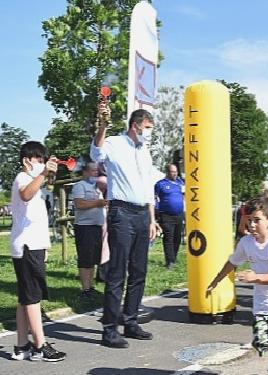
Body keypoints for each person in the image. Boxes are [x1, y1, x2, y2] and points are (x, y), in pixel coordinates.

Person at [91, 106, 159, 348]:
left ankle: (130, 322)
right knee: (117, 272)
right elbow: (96, 153)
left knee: (139, 272)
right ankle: (109, 329)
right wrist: (103, 124)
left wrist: (151, 219)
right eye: (148, 128)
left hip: (142, 214)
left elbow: (148, 187)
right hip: (121, 212)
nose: (150, 133)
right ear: (136, 126)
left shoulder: (145, 152)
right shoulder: (115, 143)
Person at [206, 197, 268, 374]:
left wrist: (255, 277)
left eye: (257, 220)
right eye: (250, 220)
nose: (252, 225)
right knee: (260, 343)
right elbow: (232, 262)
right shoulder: (246, 243)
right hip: (262, 302)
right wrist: (216, 280)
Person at [10, 141, 66, 361]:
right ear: (27, 161)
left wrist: (48, 173)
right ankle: (40, 346)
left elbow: (42, 190)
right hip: (26, 246)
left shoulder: (35, 182)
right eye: (39, 160)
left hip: (33, 245)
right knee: (33, 298)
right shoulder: (22, 178)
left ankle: (22, 345)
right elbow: (25, 194)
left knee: (25, 298)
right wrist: (43, 173)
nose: (42, 164)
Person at [72, 161, 108, 298]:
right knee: (85, 259)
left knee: (93, 259)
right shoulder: (80, 186)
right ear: (85, 172)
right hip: (84, 227)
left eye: (97, 171)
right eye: (93, 171)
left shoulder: (96, 188)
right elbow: (79, 203)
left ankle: (90, 286)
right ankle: (85, 289)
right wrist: (98, 203)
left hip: (96, 227)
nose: (96, 174)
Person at [154, 163, 185, 269]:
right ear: (167, 172)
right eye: (172, 172)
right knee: (169, 237)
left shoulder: (180, 183)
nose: (175, 174)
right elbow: (154, 198)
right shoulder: (160, 184)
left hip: (179, 214)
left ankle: (174, 258)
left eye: (176, 172)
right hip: (166, 215)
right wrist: (156, 213)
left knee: (177, 237)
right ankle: (169, 261)